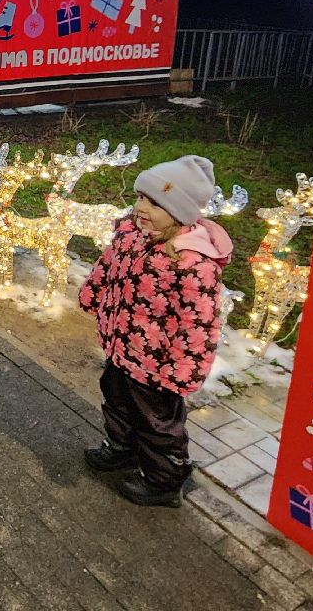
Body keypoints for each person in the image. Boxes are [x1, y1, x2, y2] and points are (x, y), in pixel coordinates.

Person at [77, 154, 233, 508]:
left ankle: (164, 481)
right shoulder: (131, 234)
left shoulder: (193, 263)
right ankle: (122, 447)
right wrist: (93, 292)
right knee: (116, 398)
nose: (142, 208)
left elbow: (199, 323)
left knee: (157, 423)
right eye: (141, 197)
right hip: (122, 347)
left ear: (180, 211)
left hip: (157, 364)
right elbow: (108, 266)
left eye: (155, 203)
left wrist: (184, 370)